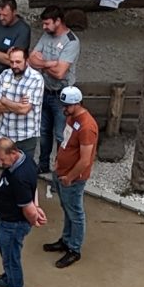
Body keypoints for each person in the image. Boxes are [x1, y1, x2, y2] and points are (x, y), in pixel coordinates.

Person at [0, 138, 47, 287]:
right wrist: (37, 206)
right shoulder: (23, 159)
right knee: (3, 248)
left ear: (13, 153)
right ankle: (8, 279)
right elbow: (33, 189)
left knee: (11, 258)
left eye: (2, 159)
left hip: (13, 225)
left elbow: (27, 207)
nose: (0, 164)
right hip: (6, 220)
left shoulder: (20, 177)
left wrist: (34, 216)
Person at [48, 85, 98, 270]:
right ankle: (66, 240)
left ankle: (74, 249)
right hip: (62, 172)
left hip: (73, 178)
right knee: (67, 208)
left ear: (77, 103)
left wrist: (70, 177)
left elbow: (85, 160)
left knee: (75, 213)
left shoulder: (87, 126)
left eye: (67, 106)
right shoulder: (72, 118)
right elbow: (66, 143)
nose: (64, 109)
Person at [27, 8, 82, 177]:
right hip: (44, 91)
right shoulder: (46, 36)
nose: (44, 27)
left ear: (58, 21)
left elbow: (60, 73)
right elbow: (31, 59)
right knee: (43, 131)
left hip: (61, 95)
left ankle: (60, 170)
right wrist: (51, 64)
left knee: (60, 135)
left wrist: (42, 64)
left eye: (47, 23)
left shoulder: (71, 42)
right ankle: (43, 165)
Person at [0, 42, 45, 170]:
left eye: (18, 62)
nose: (14, 65)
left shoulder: (36, 79)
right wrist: (17, 105)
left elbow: (25, 110)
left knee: (23, 172)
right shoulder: (5, 75)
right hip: (4, 133)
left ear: (26, 60)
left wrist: (5, 101)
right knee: (5, 169)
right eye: (12, 62)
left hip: (24, 136)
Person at [0, 0, 31, 143]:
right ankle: (1, 138)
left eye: (5, 15)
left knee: (11, 108)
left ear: (14, 12)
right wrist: (3, 55)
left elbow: (14, 61)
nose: (2, 18)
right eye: (0, 14)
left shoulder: (23, 30)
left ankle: (13, 140)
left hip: (13, 78)